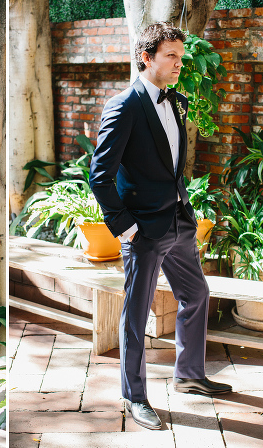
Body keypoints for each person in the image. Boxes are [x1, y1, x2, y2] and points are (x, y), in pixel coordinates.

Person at [89, 22, 232, 431]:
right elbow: (99, 174)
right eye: (171, 56)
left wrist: (183, 205)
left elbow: (171, 163)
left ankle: (188, 375)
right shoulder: (123, 105)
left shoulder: (179, 101)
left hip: (179, 220)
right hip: (144, 231)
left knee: (197, 293)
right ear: (146, 57)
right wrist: (125, 228)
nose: (178, 64)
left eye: (180, 57)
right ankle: (135, 397)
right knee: (136, 315)